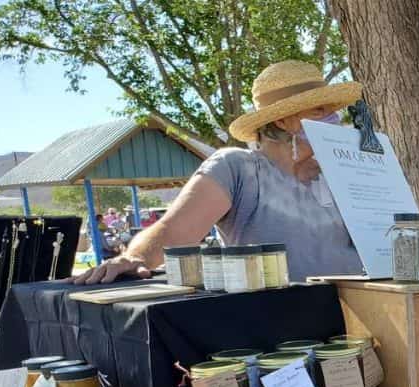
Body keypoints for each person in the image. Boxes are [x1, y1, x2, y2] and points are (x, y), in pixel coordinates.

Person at [71, 60, 363, 284]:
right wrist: (134, 257)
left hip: (362, 327)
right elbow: (174, 229)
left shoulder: (341, 174)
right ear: (286, 121)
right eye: (320, 111)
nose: (335, 119)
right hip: (284, 331)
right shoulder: (239, 168)